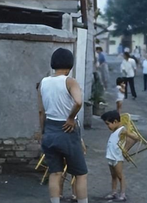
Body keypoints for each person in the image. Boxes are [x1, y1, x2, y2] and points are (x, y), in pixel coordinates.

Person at [37, 48, 89, 203]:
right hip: (67, 131)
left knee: (55, 173)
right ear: (70, 64)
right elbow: (78, 102)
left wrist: (43, 132)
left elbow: (41, 111)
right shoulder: (70, 81)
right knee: (80, 173)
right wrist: (71, 118)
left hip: (50, 130)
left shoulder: (44, 82)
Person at [101, 110, 141, 202]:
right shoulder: (115, 130)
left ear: (115, 122)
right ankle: (114, 192)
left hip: (117, 157)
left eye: (108, 124)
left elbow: (136, 138)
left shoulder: (122, 130)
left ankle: (122, 194)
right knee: (113, 176)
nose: (107, 126)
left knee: (120, 176)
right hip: (111, 156)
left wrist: (126, 147)